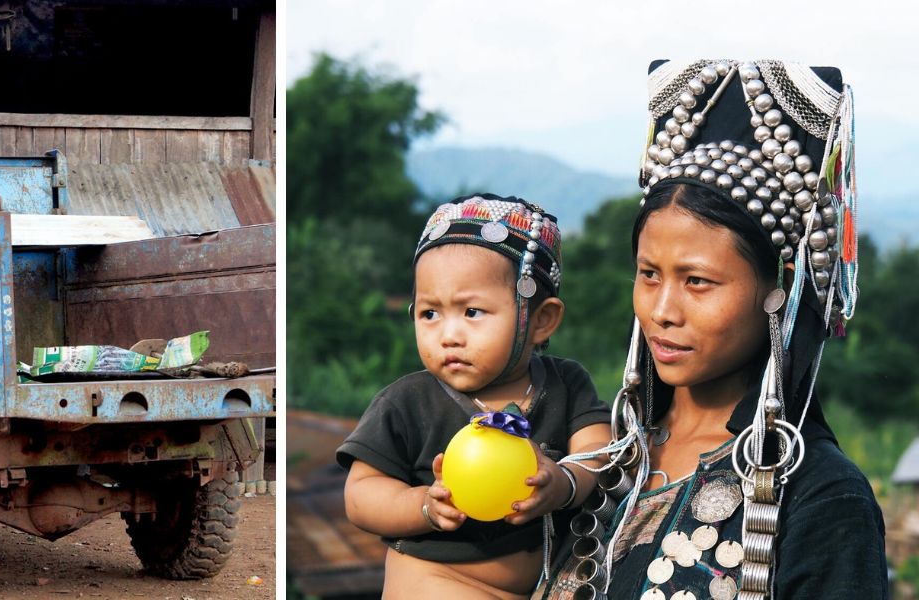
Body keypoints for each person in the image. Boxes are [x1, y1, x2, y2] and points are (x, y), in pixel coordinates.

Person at [542, 60, 884, 600]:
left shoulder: (822, 497)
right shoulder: (593, 461)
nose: (662, 310)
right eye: (649, 275)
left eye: (698, 281)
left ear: (779, 291)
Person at [339, 194, 613, 599]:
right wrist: (424, 507)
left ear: (541, 320)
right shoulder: (407, 402)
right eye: (430, 313)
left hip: (543, 581)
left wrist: (565, 482)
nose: (449, 335)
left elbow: (599, 446)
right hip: (436, 581)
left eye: (472, 313)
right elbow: (360, 495)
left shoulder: (565, 383)